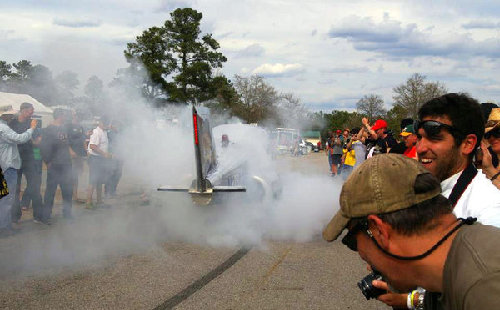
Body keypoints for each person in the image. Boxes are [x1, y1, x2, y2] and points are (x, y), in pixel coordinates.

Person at [323, 154, 500, 310]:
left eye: (352, 241)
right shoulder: (451, 275)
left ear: (378, 231)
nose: (365, 260)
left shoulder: (483, 290)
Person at [372, 93, 500, 308]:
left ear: (468, 144)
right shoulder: (428, 191)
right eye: (420, 137)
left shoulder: (488, 208)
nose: (421, 148)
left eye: (435, 138)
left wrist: (413, 301)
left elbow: (484, 294)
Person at [0, 110, 36, 234]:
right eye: (10, 114)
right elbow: (20, 138)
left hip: (4, 164)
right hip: (7, 166)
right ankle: (4, 228)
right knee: (7, 198)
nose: (12, 116)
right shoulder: (3, 127)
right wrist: (31, 129)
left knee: (5, 197)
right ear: (4, 115)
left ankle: (5, 224)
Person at [9, 102, 43, 224]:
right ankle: (15, 217)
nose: (32, 113)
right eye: (30, 110)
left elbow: (37, 142)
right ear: (23, 110)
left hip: (30, 160)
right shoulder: (12, 123)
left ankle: (39, 216)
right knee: (15, 189)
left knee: (35, 186)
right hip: (15, 159)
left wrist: (35, 140)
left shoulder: (33, 123)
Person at [40, 108, 73, 222]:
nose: (65, 117)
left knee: (67, 190)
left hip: (66, 164)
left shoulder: (64, 128)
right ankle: (46, 216)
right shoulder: (48, 130)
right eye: (64, 115)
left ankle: (67, 214)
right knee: (50, 191)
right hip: (54, 165)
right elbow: (44, 147)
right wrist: (48, 161)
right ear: (60, 116)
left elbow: (66, 144)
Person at [86, 116, 112, 209]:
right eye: (105, 123)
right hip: (95, 159)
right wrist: (104, 154)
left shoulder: (104, 132)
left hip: (101, 159)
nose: (107, 125)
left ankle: (99, 201)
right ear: (100, 123)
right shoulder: (96, 132)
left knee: (100, 180)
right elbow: (93, 146)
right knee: (93, 180)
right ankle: (88, 203)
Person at [66, 110, 87, 202]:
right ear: (73, 116)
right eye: (76, 116)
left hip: (80, 154)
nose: (78, 117)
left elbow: (83, 140)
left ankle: (75, 197)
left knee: (76, 176)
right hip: (71, 155)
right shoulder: (68, 126)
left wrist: (87, 150)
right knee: (70, 176)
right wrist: (70, 151)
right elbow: (65, 140)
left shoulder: (81, 126)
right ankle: (68, 197)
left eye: (79, 116)